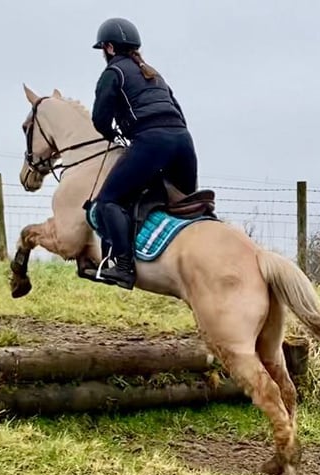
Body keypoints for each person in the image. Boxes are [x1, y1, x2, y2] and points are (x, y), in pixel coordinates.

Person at [84, 17, 198, 290]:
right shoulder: (153, 73)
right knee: (186, 203)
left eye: (103, 49)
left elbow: (100, 118)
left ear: (109, 48)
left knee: (109, 200)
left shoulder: (114, 73)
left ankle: (123, 268)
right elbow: (178, 112)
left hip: (151, 141)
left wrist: (113, 134)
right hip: (183, 142)